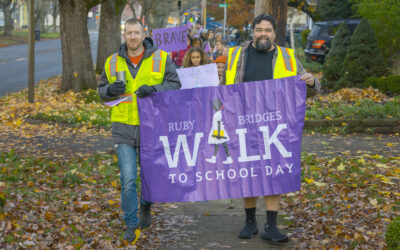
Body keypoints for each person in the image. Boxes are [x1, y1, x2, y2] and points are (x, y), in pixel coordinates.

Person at [222, 14, 321, 245]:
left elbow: (313, 89)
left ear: (275, 33)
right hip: (243, 123)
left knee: (274, 174)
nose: (263, 34)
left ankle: (271, 225)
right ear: (253, 31)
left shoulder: (288, 57)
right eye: (259, 30)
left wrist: (311, 82)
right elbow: (222, 88)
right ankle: (249, 221)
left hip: (276, 127)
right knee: (248, 173)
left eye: (267, 30)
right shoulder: (236, 55)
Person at [98, 18, 181, 244]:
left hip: (152, 127)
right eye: (129, 33)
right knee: (128, 178)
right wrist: (109, 90)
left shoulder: (161, 58)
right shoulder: (112, 61)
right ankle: (131, 224)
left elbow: (175, 86)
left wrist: (154, 89)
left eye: (137, 33)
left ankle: (146, 204)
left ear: (143, 34)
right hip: (123, 128)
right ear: (124, 35)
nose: (133, 37)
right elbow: (101, 92)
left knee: (150, 176)